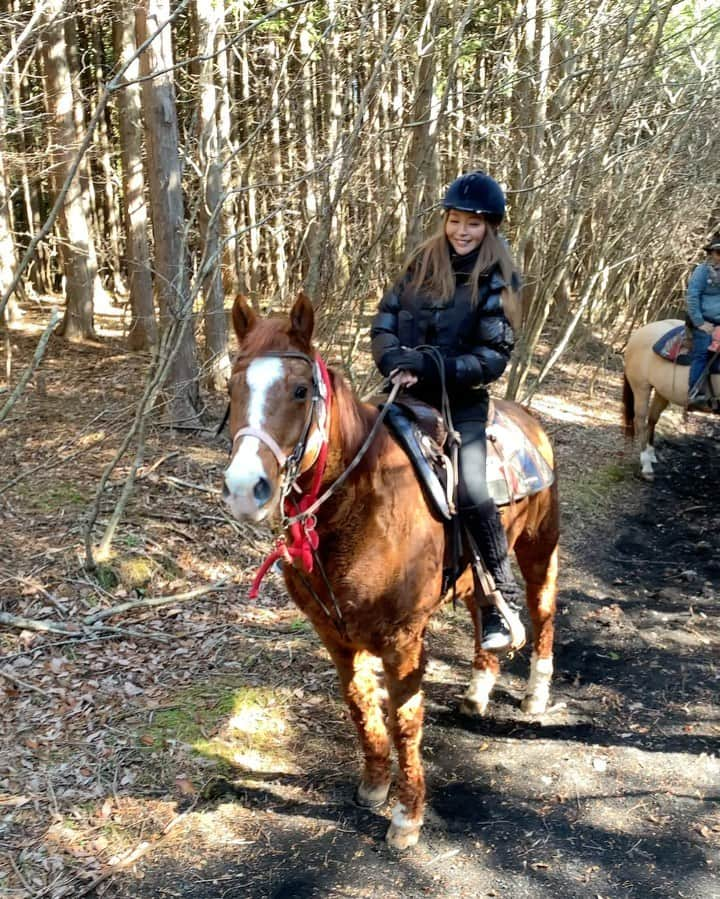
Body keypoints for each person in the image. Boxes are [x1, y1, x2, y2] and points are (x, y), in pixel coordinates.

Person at [370, 170, 523, 653]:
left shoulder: (501, 278)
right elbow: (385, 319)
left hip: (462, 401)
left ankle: (501, 600)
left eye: (473, 224)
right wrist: (393, 358)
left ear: (489, 228)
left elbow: (493, 357)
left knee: (473, 488)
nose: (462, 230)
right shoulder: (420, 263)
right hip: (403, 390)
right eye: (456, 220)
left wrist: (431, 367)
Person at [687, 231, 720, 405]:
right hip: (705, 322)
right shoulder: (702, 271)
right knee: (701, 354)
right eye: (719, 253)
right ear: (711, 253)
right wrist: (700, 322)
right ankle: (695, 393)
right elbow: (692, 296)